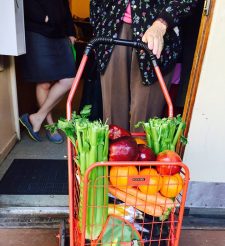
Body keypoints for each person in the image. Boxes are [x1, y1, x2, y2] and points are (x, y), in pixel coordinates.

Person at [90, 0, 198, 131]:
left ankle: (142, 149)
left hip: (158, 32)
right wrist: (97, 27)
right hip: (111, 26)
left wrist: (162, 23)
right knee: (114, 122)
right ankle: (117, 150)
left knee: (145, 121)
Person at [19, 0, 76, 143]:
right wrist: (43, 17)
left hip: (60, 32)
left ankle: (37, 117)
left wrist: (71, 31)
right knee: (44, 82)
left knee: (69, 79)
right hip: (38, 31)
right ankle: (51, 126)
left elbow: (64, 4)